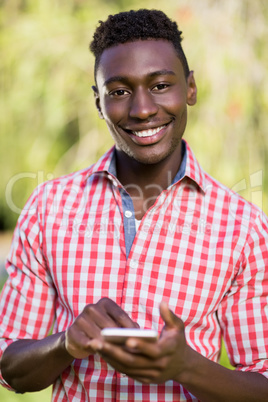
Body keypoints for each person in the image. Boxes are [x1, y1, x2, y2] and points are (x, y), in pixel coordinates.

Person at [0, 8, 267, 402]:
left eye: (160, 85)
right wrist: (66, 344)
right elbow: (11, 370)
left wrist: (186, 366)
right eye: (119, 91)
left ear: (190, 88)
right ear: (98, 102)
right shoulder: (47, 208)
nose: (142, 109)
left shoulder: (243, 227)